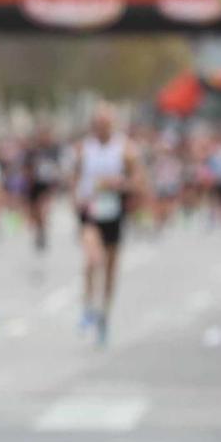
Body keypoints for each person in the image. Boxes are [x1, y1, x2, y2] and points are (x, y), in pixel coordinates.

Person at [72, 107, 139, 346]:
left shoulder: (125, 150)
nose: (101, 128)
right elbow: (75, 176)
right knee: (92, 258)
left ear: (112, 125)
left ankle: (104, 313)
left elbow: (137, 181)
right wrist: (76, 197)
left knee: (110, 267)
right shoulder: (83, 149)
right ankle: (88, 306)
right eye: (97, 123)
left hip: (113, 211)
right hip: (91, 210)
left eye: (105, 124)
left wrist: (118, 183)